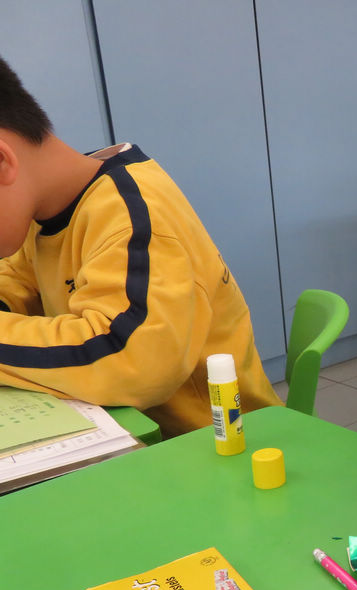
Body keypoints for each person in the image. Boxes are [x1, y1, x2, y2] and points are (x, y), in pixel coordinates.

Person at [0, 56, 281, 436]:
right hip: (136, 434)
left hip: (219, 440)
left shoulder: (130, 214)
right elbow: (15, 286)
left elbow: (131, 360)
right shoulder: (44, 208)